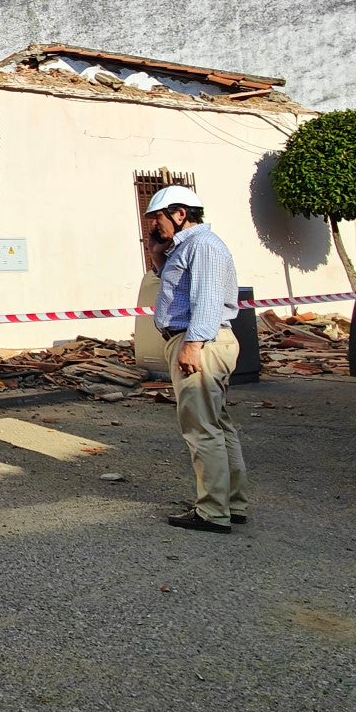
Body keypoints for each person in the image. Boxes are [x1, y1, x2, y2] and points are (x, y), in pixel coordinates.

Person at [146, 184, 247, 534]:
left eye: (157, 217)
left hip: (199, 341)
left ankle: (212, 511)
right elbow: (182, 290)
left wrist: (193, 344)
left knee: (201, 428)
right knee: (218, 424)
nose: (153, 225)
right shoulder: (187, 247)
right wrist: (159, 256)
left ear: (180, 214)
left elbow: (206, 299)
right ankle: (232, 503)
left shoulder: (202, 245)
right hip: (202, 340)